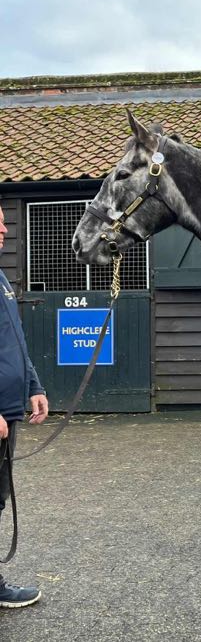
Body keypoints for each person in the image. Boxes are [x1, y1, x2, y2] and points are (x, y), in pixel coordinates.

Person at [0, 203, 48, 607]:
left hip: (9, 408)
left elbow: (14, 339)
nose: (4, 231)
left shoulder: (1, 279)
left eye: (3, 224)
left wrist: (34, 385)